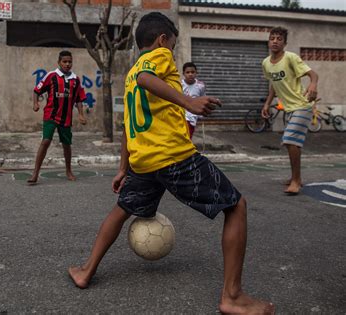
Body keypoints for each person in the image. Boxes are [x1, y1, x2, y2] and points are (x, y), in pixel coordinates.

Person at [68, 12, 274, 315]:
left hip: (144, 161)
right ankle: (232, 295)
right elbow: (146, 78)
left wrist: (123, 167)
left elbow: (127, 123)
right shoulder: (156, 57)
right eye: (173, 46)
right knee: (236, 206)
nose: (173, 53)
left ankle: (86, 271)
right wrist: (188, 101)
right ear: (163, 39)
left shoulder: (129, 74)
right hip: (173, 156)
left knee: (122, 210)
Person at [261, 26, 319, 195]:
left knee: (289, 141)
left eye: (279, 39)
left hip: (302, 105)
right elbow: (273, 84)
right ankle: (296, 177)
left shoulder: (291, 58)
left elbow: (313, 74)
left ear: (284, 43)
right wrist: (267, 104)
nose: (275, 41)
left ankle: (296, 181)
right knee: (292, 144)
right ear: (268, 41)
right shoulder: (266, 63)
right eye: (272, 38)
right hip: (289, 108)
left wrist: (313, 85)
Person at [27, 50, 87, 185]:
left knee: (66, 145)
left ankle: (68, 170)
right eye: (64, 62)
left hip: (66, 118)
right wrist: (35, 103)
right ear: (59, 62)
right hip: (51, 115)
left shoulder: (75, 80)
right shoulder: (51, 76)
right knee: (46, 141)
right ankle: (35, 173)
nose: (67, 64)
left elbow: (78, 99)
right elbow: (37, 90)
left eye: (69, 62)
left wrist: (81, 115)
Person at [182, 62, 206, 139]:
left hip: (192, 117)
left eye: (192, 72)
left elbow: (202, 98)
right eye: (187, 72)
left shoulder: (200, 85)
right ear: (183, 74)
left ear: (196, 73)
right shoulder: (180, 84)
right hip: (181, 116)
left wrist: (202, 112)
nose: (190, 74)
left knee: (188, 138)